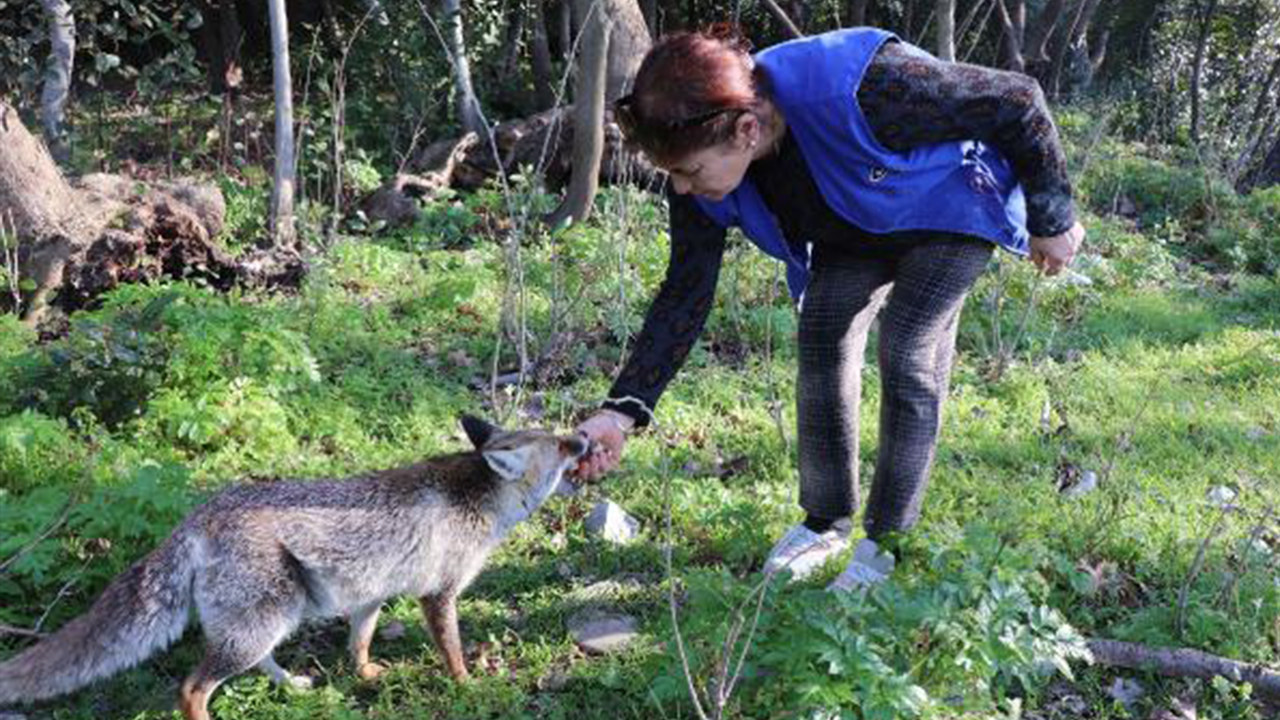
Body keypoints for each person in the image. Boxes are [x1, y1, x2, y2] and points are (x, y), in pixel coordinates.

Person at [573, 25, 1085, 591]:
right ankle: (825, 521)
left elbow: (1017, 98)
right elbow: (684, 293)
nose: (685, 189)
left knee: (908, 346)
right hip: (856, 226)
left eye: (690, 172)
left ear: (746, 128)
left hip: (949, 206)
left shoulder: (864, 86)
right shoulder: (697, 175)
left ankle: (885, 542)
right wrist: (620, 411)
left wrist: (1052, 215)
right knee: (822, 336)